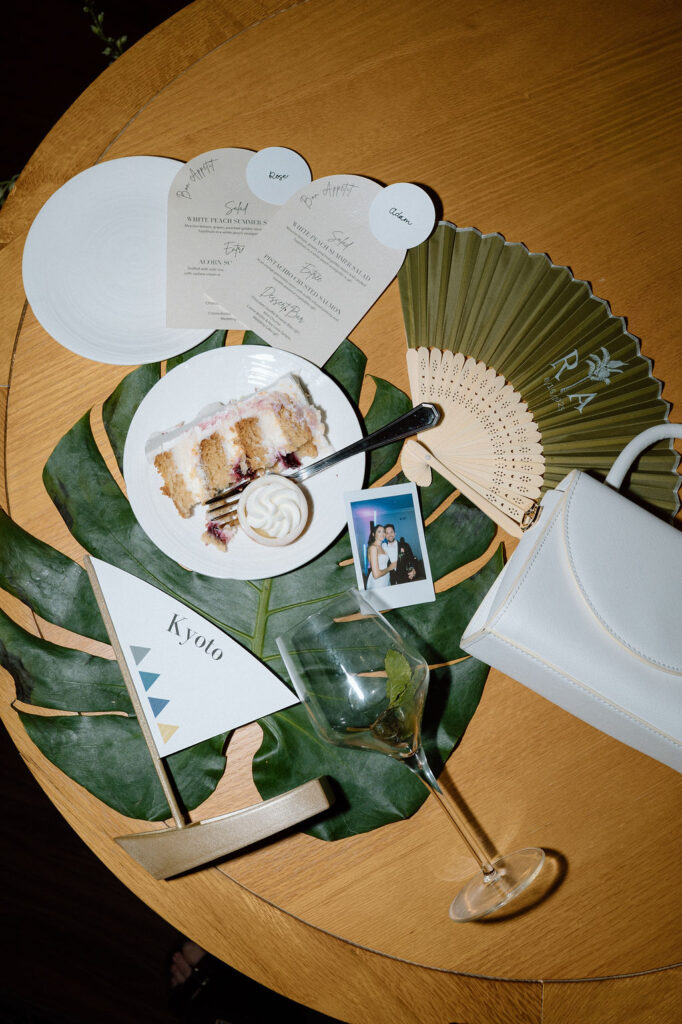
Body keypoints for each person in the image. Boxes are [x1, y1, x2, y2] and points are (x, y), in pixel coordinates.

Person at [365, 524, 395, 589]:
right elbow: (376, 575)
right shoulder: (373, 548)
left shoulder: (383, 546)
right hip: (378, 582)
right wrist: (390, 568)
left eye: (383, 531)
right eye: (379, 531)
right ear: (373, 534)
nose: (382, 533)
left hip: (386, 578)